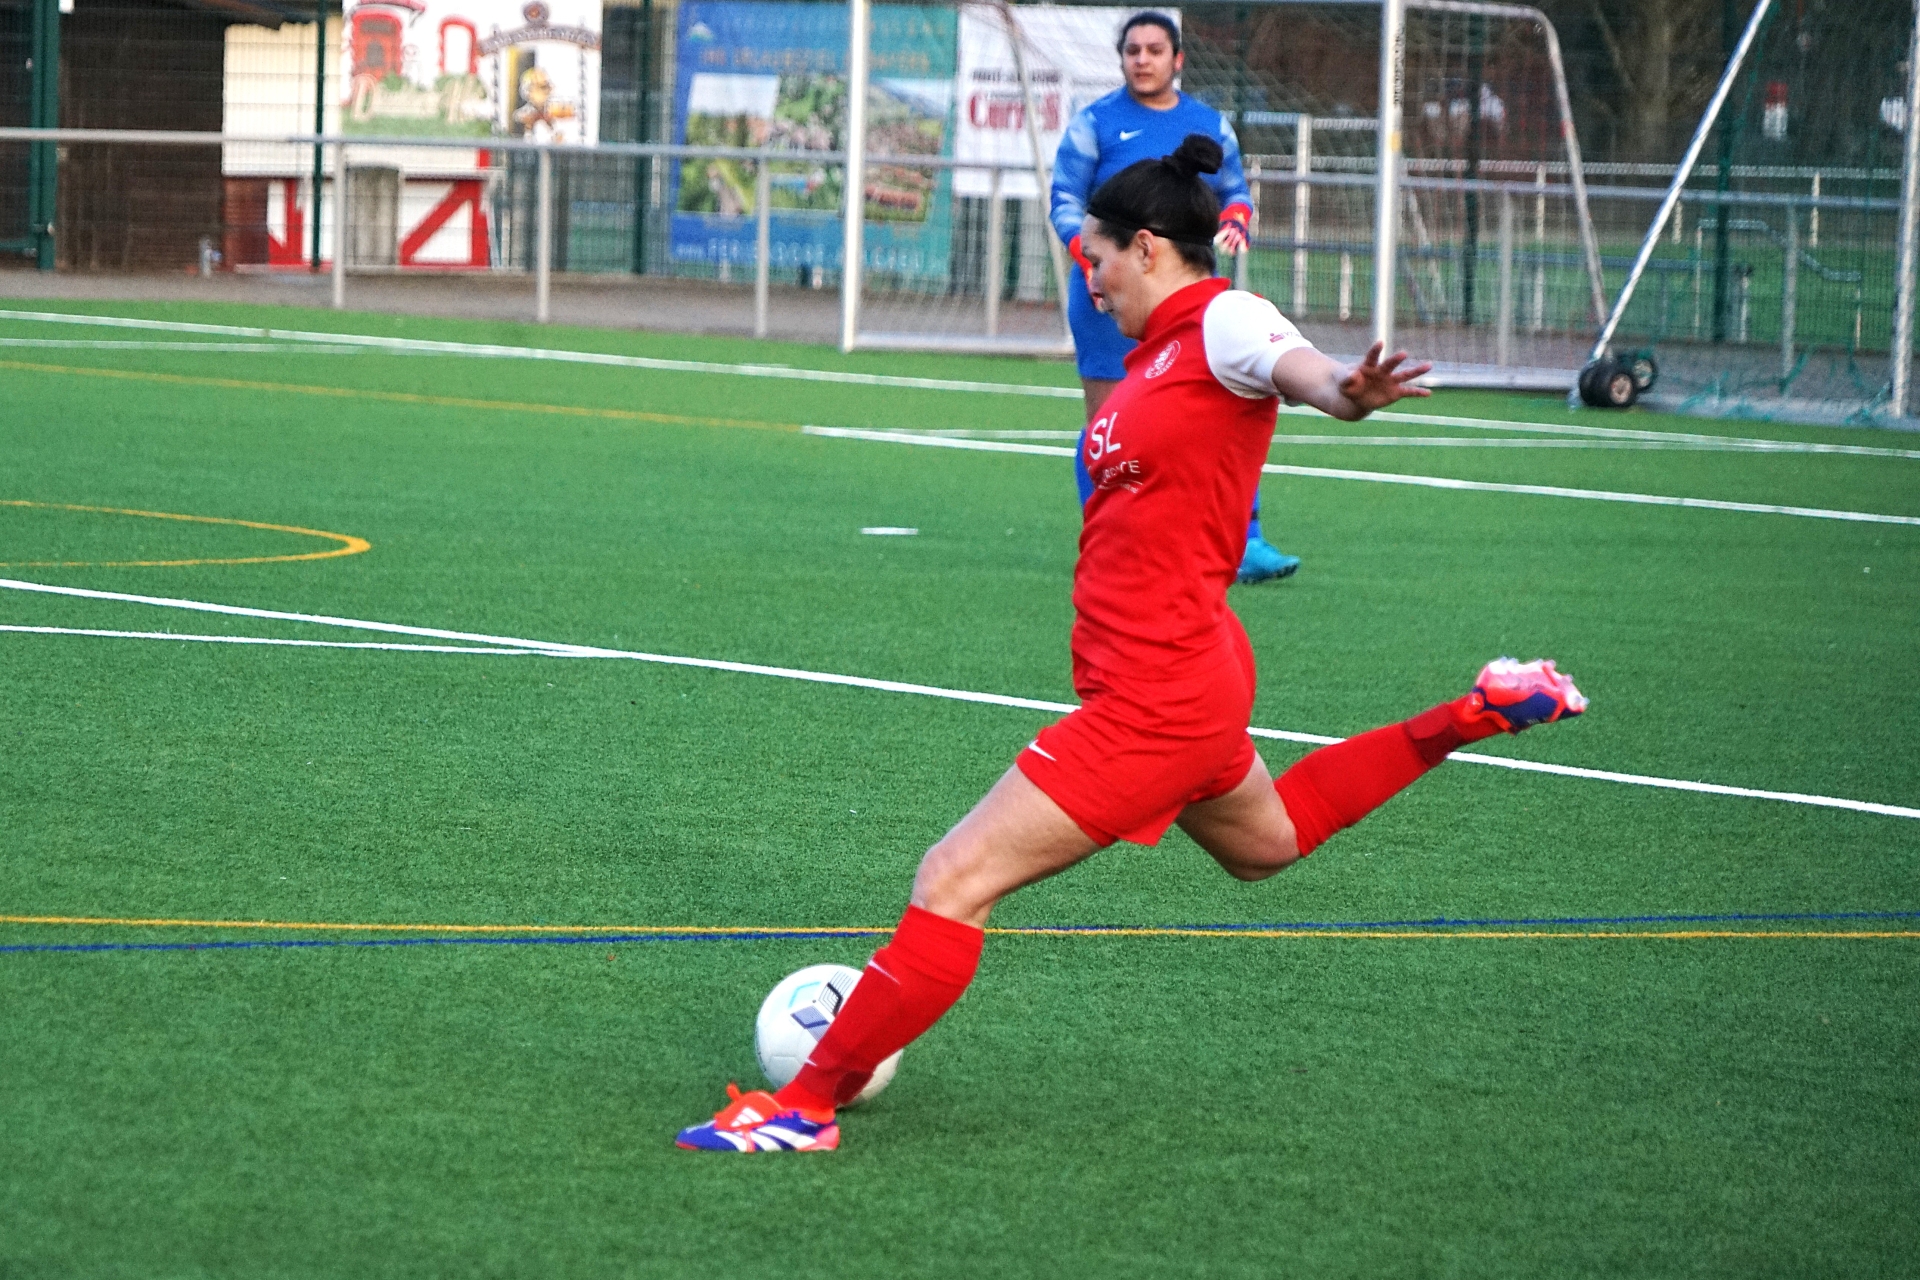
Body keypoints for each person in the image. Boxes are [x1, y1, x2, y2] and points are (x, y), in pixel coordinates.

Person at [676, 136, 1587, 1154]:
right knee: (1270, 841)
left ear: (1147, 247)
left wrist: (1346, 389)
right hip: (1182, 674)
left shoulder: (1220, 320)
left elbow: (1307, 373)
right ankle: (1476, 711)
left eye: (1095, 258)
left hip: (1159, 694)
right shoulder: (1151, 357)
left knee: (954, 877)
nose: (1089, 278)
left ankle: (804, 1106)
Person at [1052, 10, 1299, 586]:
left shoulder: (1209, 125)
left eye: (1155, 50)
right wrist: (1093, 263)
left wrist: (1236, 218)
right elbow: (1064, 199)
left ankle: (1246, 542)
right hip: (1108, 297)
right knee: (1109, 425)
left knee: (1221, 410)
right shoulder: (1094, 123)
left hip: (1188, 298)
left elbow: (1235, 190)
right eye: (1132, 50)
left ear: (1178, 59)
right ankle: (1109, 540)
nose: (1142, 59)